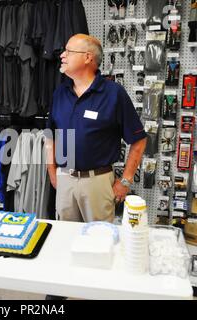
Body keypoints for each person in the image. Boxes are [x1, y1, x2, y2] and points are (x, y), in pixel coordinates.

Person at [45, 34, 147, 299]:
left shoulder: (113, 94)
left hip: (98, 182)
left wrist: (124, 181)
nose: (62, 55)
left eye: (68, 51)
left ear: (88, 58)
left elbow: (138, 140)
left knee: (102, 250)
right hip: (65, 182)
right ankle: (59, 294)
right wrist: (52, 170)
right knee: (64, 245)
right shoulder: (60, 92)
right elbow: (51, 135)